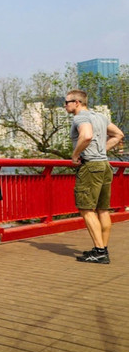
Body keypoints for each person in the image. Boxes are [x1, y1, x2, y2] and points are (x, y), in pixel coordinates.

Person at [65, 89, 124, 264]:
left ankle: (99, 252)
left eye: (67, 102)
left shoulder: (80, 117)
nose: (65, 105)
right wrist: (102, 150)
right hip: (104, 165)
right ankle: (102, 249)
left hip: (90, 166)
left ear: (77, 103)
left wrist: (75, 155)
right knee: (103, 209)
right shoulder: (100, 116)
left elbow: (87, 135)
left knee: (86, 209)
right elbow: (119, 134)